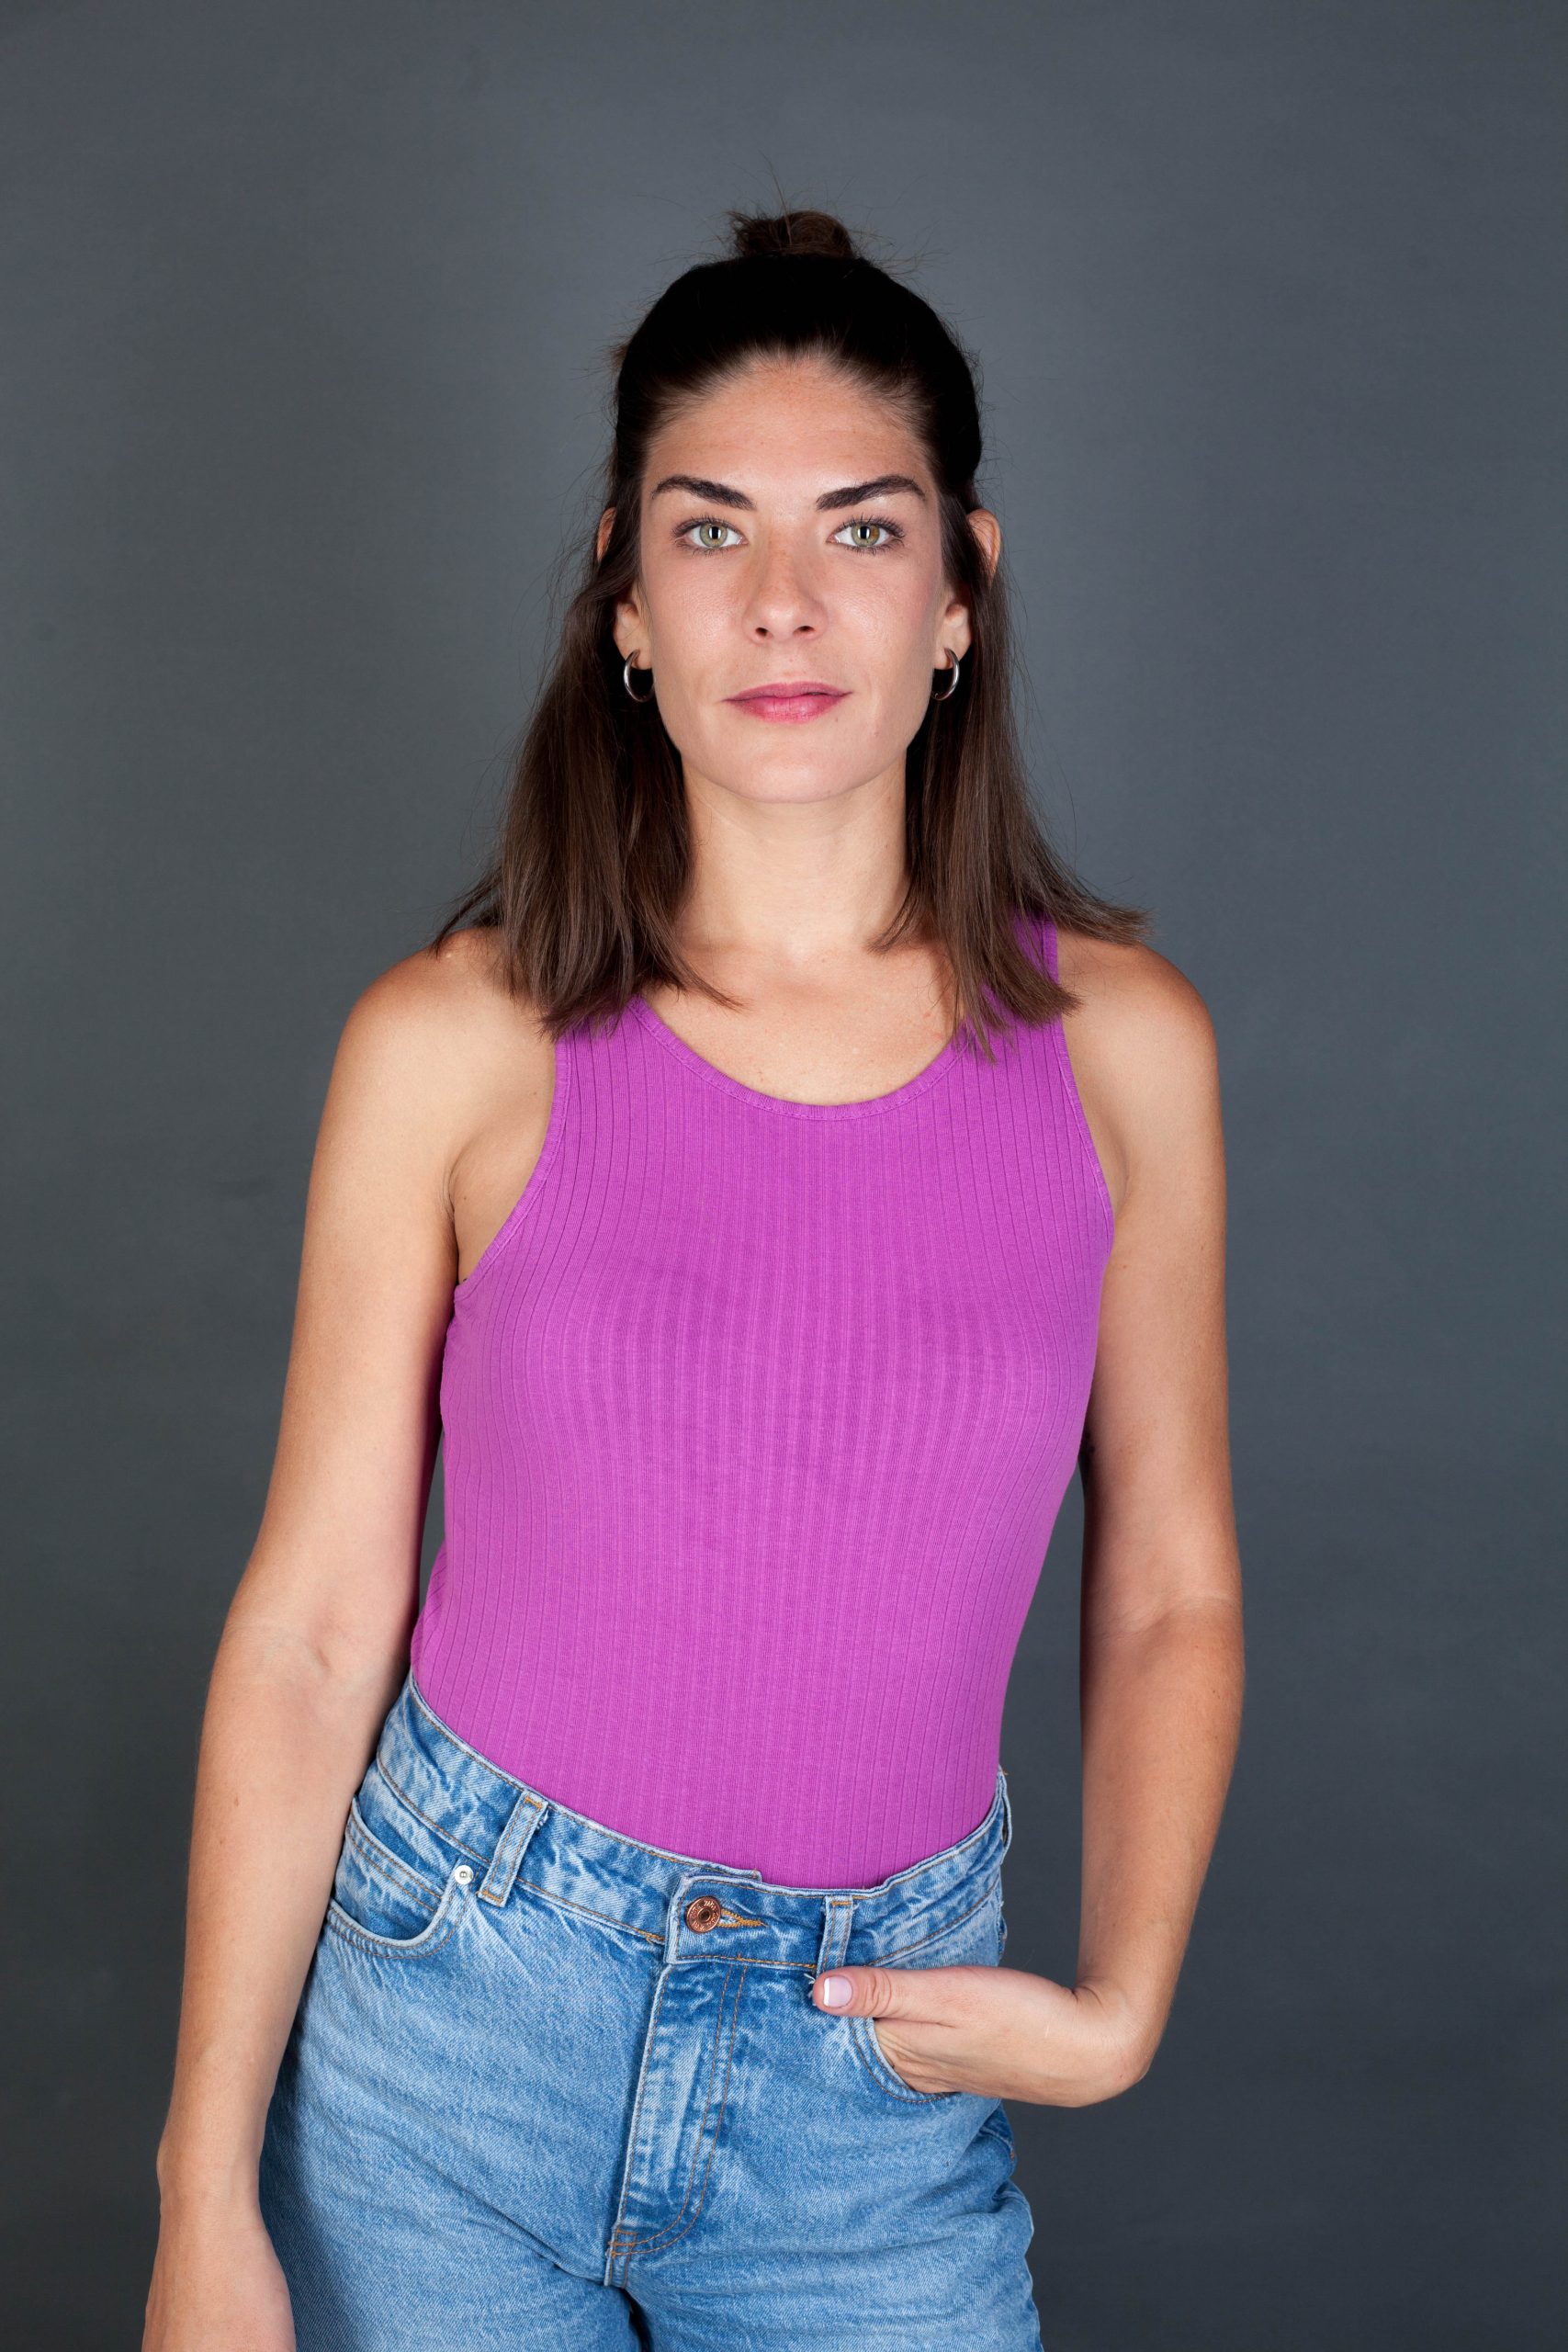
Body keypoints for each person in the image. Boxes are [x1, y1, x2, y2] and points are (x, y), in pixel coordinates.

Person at [144, 205, 1243, 2351]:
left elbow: (1168, 1583)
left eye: (860, 529)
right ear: (625, 602)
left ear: (960, 588)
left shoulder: (1120, 1050)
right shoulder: (453, 1040)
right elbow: (311, 1621)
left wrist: (1122, 1999)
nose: (780, 602)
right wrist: (202, 2192)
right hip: (451, 2032)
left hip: (870, 2075)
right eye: (709, 529)